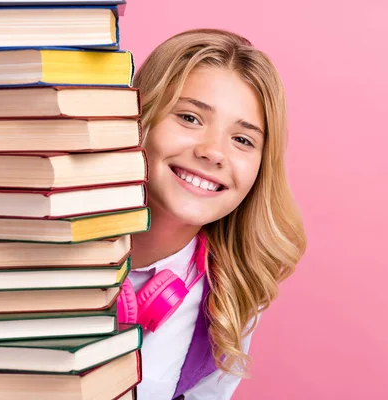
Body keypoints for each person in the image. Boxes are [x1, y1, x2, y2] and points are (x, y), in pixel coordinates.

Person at [118, 28, 307, 400]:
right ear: (140, 118)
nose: (213, 152)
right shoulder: (44, 239)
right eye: (189, 118)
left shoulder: (232, 300)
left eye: (242, 140)